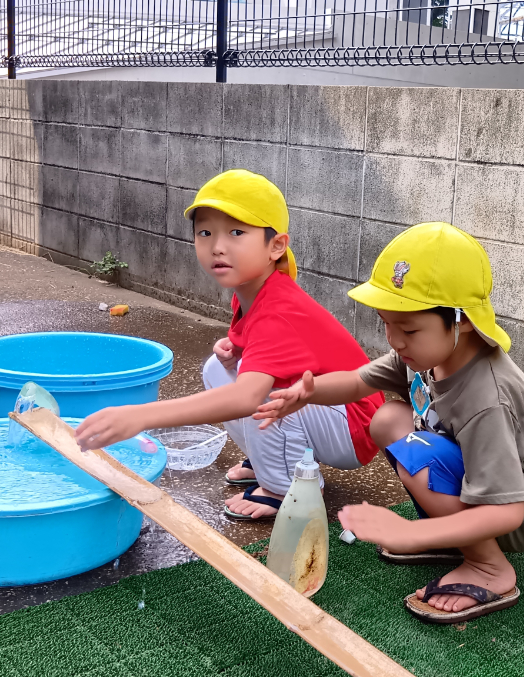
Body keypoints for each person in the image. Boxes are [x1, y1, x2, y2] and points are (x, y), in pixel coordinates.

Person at [253, 222, 524, 624]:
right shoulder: (427, 353)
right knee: (388, 419)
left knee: (423, 452)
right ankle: (458, 540)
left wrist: (408, 533)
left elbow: (506, 513)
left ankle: (490, 566)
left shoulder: (487, 397)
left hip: (523, 507)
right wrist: (306, 392)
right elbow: (356, 381)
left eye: (409, 328)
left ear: (462, 320)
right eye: (387, 323)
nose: (394, 341)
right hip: (477, 483)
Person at [73, 170, 383, 520]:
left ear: (276, 246)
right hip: (328, 411)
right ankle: (269, 459)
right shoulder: (252, 291)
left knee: (265, 391)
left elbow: (246, 397)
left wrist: (140, 416)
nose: (217, 246)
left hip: (355, 427)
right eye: (205, 233)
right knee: (218, 367)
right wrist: (234, 347)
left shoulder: (277, 310)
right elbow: (246, 344)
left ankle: (285, 489)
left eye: (236, 232)